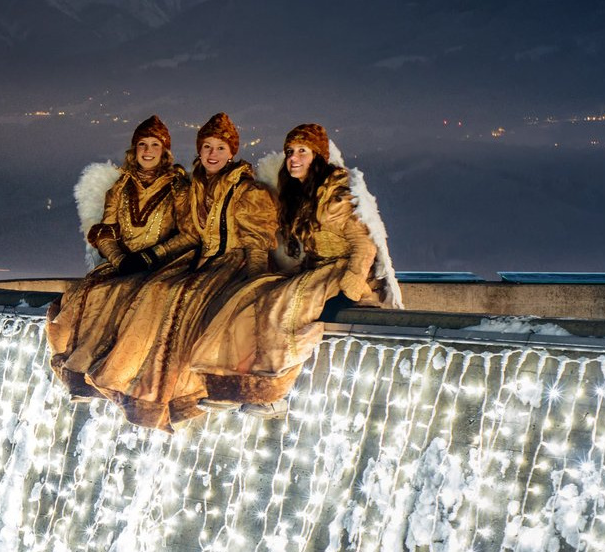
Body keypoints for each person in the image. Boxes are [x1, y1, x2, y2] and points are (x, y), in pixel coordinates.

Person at [86, 113, 279, 431]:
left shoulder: (245, 191)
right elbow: (108, 229)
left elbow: (253, 243)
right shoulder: (195, 187)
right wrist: (120, 259)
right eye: (207, 147)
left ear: (231, 152)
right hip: (206, 264)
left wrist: (255, 280)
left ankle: (197, 389)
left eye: (219, 148)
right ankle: (136, 383)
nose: (212, 154)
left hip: (233, 263)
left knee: (186, 298)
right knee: (161, 294)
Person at [191, 123, 379, 417]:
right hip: (314, 270)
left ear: (317, 156)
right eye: (290, 152)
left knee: (283, 309)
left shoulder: (337, 197)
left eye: (302, 152)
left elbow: (364, 245)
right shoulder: (299, 196)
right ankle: (232, 385)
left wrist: (352, 284)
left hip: (339, 272)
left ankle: (273, 391)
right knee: (252, 297)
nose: (293, 158)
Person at [47, 116, 190, 400]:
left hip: (164, 265)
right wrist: (119, 259)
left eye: (154, 145)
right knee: (87, 295)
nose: (147, 151)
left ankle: (117, 375)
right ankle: (80, 373)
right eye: (142, 145)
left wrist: (152, 256)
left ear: (165, 151)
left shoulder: (178, 188)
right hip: (122, 264)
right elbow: (105, 232)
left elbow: (189, 234)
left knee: (129, 296)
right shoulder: (121, 187)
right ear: (134, 149)